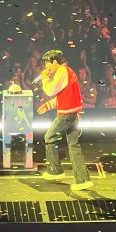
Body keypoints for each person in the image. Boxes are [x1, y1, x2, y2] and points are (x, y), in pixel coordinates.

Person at [37, 49, 92, 191]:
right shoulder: (67, 72)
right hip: (73, 113)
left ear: (55, 62)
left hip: (67, 115)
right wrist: (48, 106)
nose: (46, 67)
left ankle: (55, 170)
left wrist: (44, 78)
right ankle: (83, 180)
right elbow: (63, 96)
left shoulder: (62, 71)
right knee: (74, 146)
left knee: (49, 137)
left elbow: (50, 90)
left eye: (47, 64)